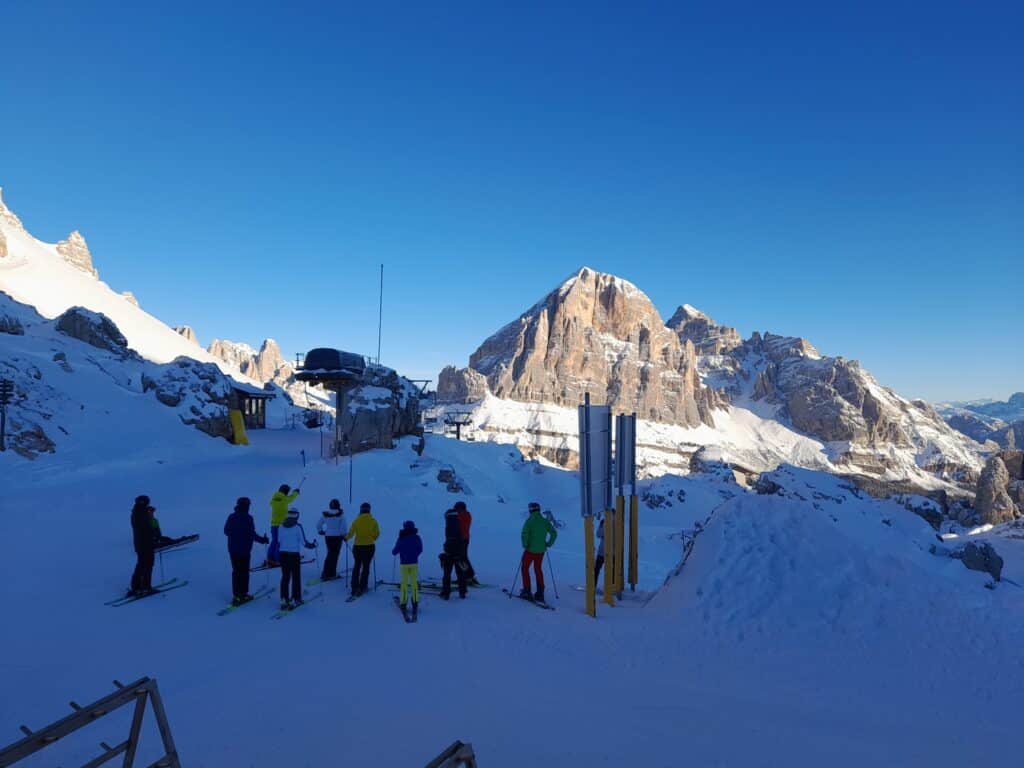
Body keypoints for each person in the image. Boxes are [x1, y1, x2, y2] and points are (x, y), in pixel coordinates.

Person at [224, 497, 269, 605]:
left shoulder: (232, 516)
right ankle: (243, 595)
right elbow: (251, 534)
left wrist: (235, 534)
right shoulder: (248, 518)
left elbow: (226, 531)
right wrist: (262, 540)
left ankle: (236, 596)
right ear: (246, 506)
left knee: (236, 572)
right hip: (243, 551)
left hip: (233, 550)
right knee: (243, 572)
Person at [278, 509, 316, 610]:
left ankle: (283, 599)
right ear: (296, 516)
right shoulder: (297, 527)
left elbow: (278, 540)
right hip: (293, 555)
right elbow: (304, 542)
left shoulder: (281, 526)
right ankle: (296, 598)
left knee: (285, 577)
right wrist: (313, 545)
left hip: (283, 554)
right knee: (295, 577)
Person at [520, 501, 557, 603]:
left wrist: (525, 544)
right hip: (541, 551)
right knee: (538, 569)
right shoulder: (545, 521)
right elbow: (554, 533)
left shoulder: (529, 521)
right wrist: (548, 544)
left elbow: (524, 534)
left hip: (530, 550)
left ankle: (527, 591)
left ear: (531, 510)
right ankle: (540, 593)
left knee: (525, 568)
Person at [344, 502, 380, 597]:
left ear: (361, 510)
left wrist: (346, 538)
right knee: (366, 566)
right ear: (369, 510)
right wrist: (372, 537)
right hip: (369, 546)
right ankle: (363, 586)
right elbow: (376, 534)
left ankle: (354, 587)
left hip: (358, 547)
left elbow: (351, 533)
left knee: (357, 565)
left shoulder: (356, 520)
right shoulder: (373, 521)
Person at [391, 520, 423, 619]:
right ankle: (415, 603)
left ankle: (403, 603)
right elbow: (420, 549)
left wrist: (398, 552)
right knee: (414, 583)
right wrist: (415, 555)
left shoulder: (401, 538)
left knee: (404, 584)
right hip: (414, 563)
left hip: (404, 564)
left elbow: (395, 551)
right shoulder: (417, 537)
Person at [129, 495, 156, 596]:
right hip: (146, 544)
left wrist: (149, 513)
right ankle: (144, 587)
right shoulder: (141, 514)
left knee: (142, 564)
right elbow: (148, 528)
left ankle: (138, 587)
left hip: (141, 544)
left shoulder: (136, 512)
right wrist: (150, 515)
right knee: (147, 565)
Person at [268, 484, 300, 566]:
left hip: (273, 524)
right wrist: (295, 493)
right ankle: (277, 559)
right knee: (280, 542)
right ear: (285, 491)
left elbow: (286, 499)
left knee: (274, 541)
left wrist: (293, 493)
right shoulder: (284, 499)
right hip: (281, 525)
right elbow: (291, 498)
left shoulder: (274, 497)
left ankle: (270, 557)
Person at [440, 507, 468, 599]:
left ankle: (446, 593)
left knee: (447, 574)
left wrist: (446, 549)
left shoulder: (449, 525)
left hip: (449, 553)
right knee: (460, 573)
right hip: (459, 552)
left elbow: (449, 540)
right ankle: (462, 592)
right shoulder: (458, 523)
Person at [316, 499, 346, 581]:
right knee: (335, 555)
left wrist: (320, 531)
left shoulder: (326, 515)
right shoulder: (340, 515)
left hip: (328, 536)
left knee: (330, 553)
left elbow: (318, 524)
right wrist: (343, 535)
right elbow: (343, 527)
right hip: (337, 537)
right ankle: (330, 573)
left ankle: (326, 572)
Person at [454, 501, 479, 586]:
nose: (456, 510)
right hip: (463, 539)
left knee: (462, 558)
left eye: (457, 509)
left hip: (462, 539)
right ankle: (468, 576)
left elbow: (460, 526)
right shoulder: (465, 515)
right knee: (463, 558)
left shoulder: (464, 515)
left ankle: (468, 576)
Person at [594, 515, 605, 586]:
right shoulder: (618, 522)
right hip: (611, 552)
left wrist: (601, 525)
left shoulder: (605, 522)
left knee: (596, 569)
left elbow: (598, 534)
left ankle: (593, 585)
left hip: (602, 551)